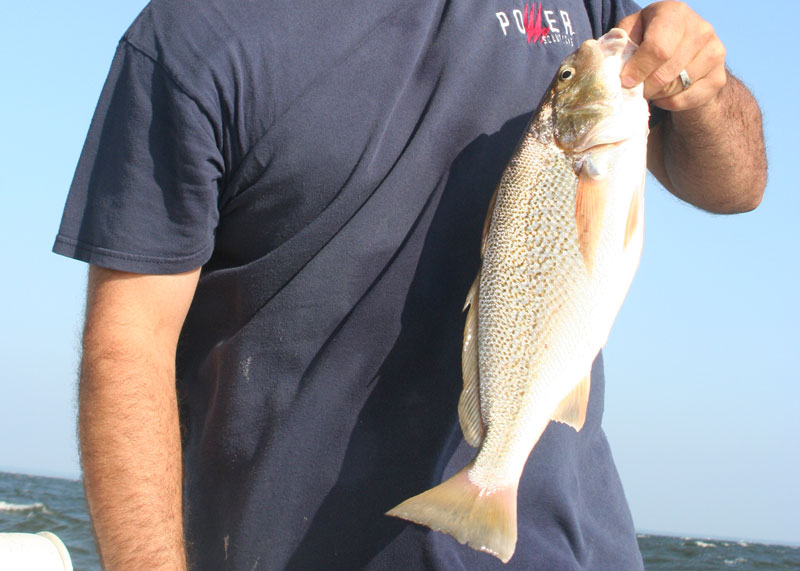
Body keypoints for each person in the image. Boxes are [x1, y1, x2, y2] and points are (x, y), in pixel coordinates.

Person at [54, 0, 765, 569]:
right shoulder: (192, 37)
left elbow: (739, 186)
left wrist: (702, 89)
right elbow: (127, 343)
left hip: (569, 548)